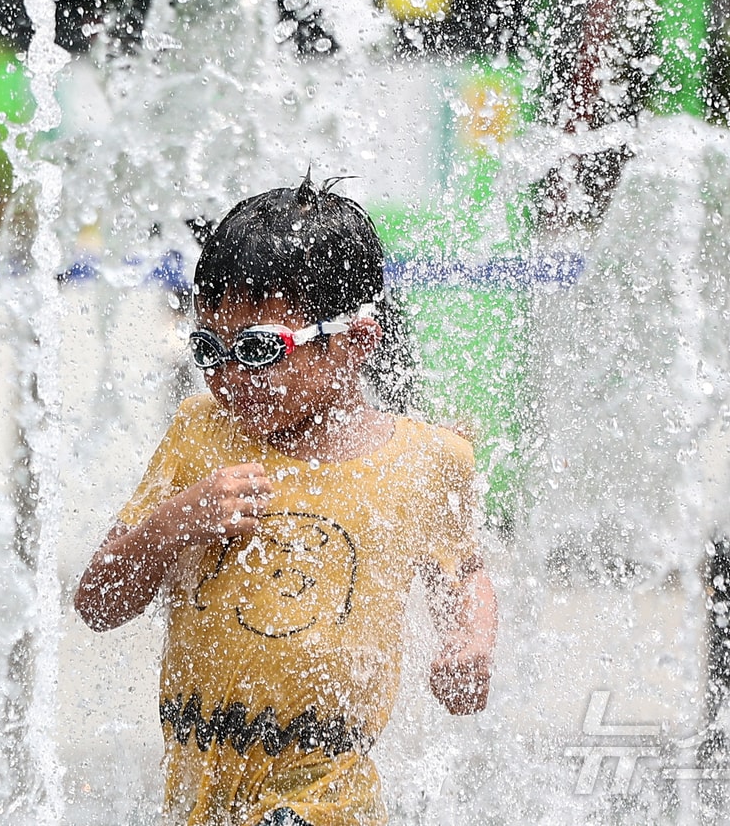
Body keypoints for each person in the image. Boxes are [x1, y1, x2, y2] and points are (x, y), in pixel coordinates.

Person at [74, 175, 498, 826]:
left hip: (328, 786)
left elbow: (463, 575)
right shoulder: (198, 435)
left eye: (260, 348)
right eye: (209, 348)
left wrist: (470, 641)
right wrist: (172, 523)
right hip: (204, 778)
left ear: (357, 339)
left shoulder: (426, 459)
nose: (228, 376)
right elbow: (97, 602)